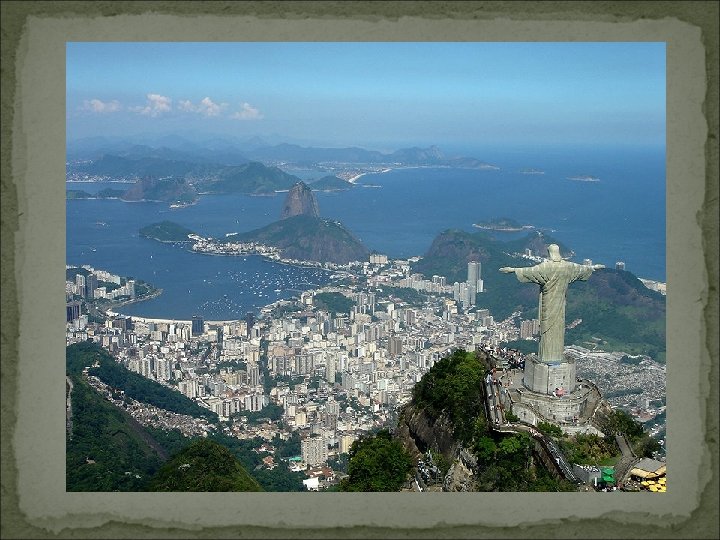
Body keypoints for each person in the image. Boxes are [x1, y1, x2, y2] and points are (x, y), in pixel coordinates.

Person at [500, 244, 602, 363]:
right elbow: (581, 269)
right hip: (561, 304)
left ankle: (546, 356)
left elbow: (530, 271)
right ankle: (556, 356)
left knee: (547, 328)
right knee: (558, 327)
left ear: (550, 253)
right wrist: (593, 267)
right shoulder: (567, 266)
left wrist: (513, 270)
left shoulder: (546, 267)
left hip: (548, 303)